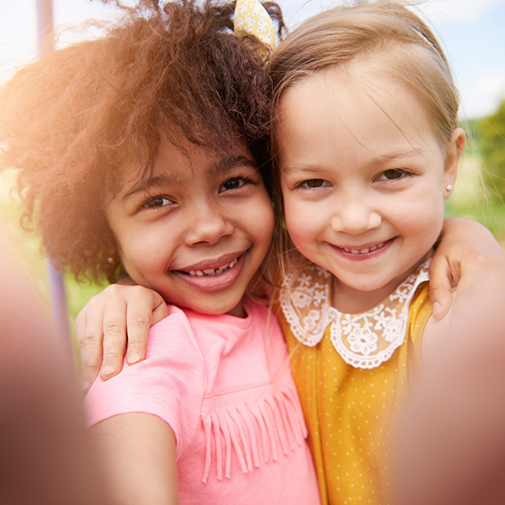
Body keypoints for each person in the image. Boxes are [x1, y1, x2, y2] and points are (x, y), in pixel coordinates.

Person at [74, 1, 505, 504]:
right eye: (314, 182)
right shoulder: (286, 280)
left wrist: (469, 236)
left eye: (392, 174)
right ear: (279, 183)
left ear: (451, 161)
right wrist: (129, 290)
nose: (354, 219)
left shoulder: (452, 311)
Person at [0, 1, 321, 504]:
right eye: (158, 201)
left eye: (234, 181)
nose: (209, 227)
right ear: (100, 225)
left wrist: (468, 240)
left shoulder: (278, 293)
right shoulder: (142, 353)